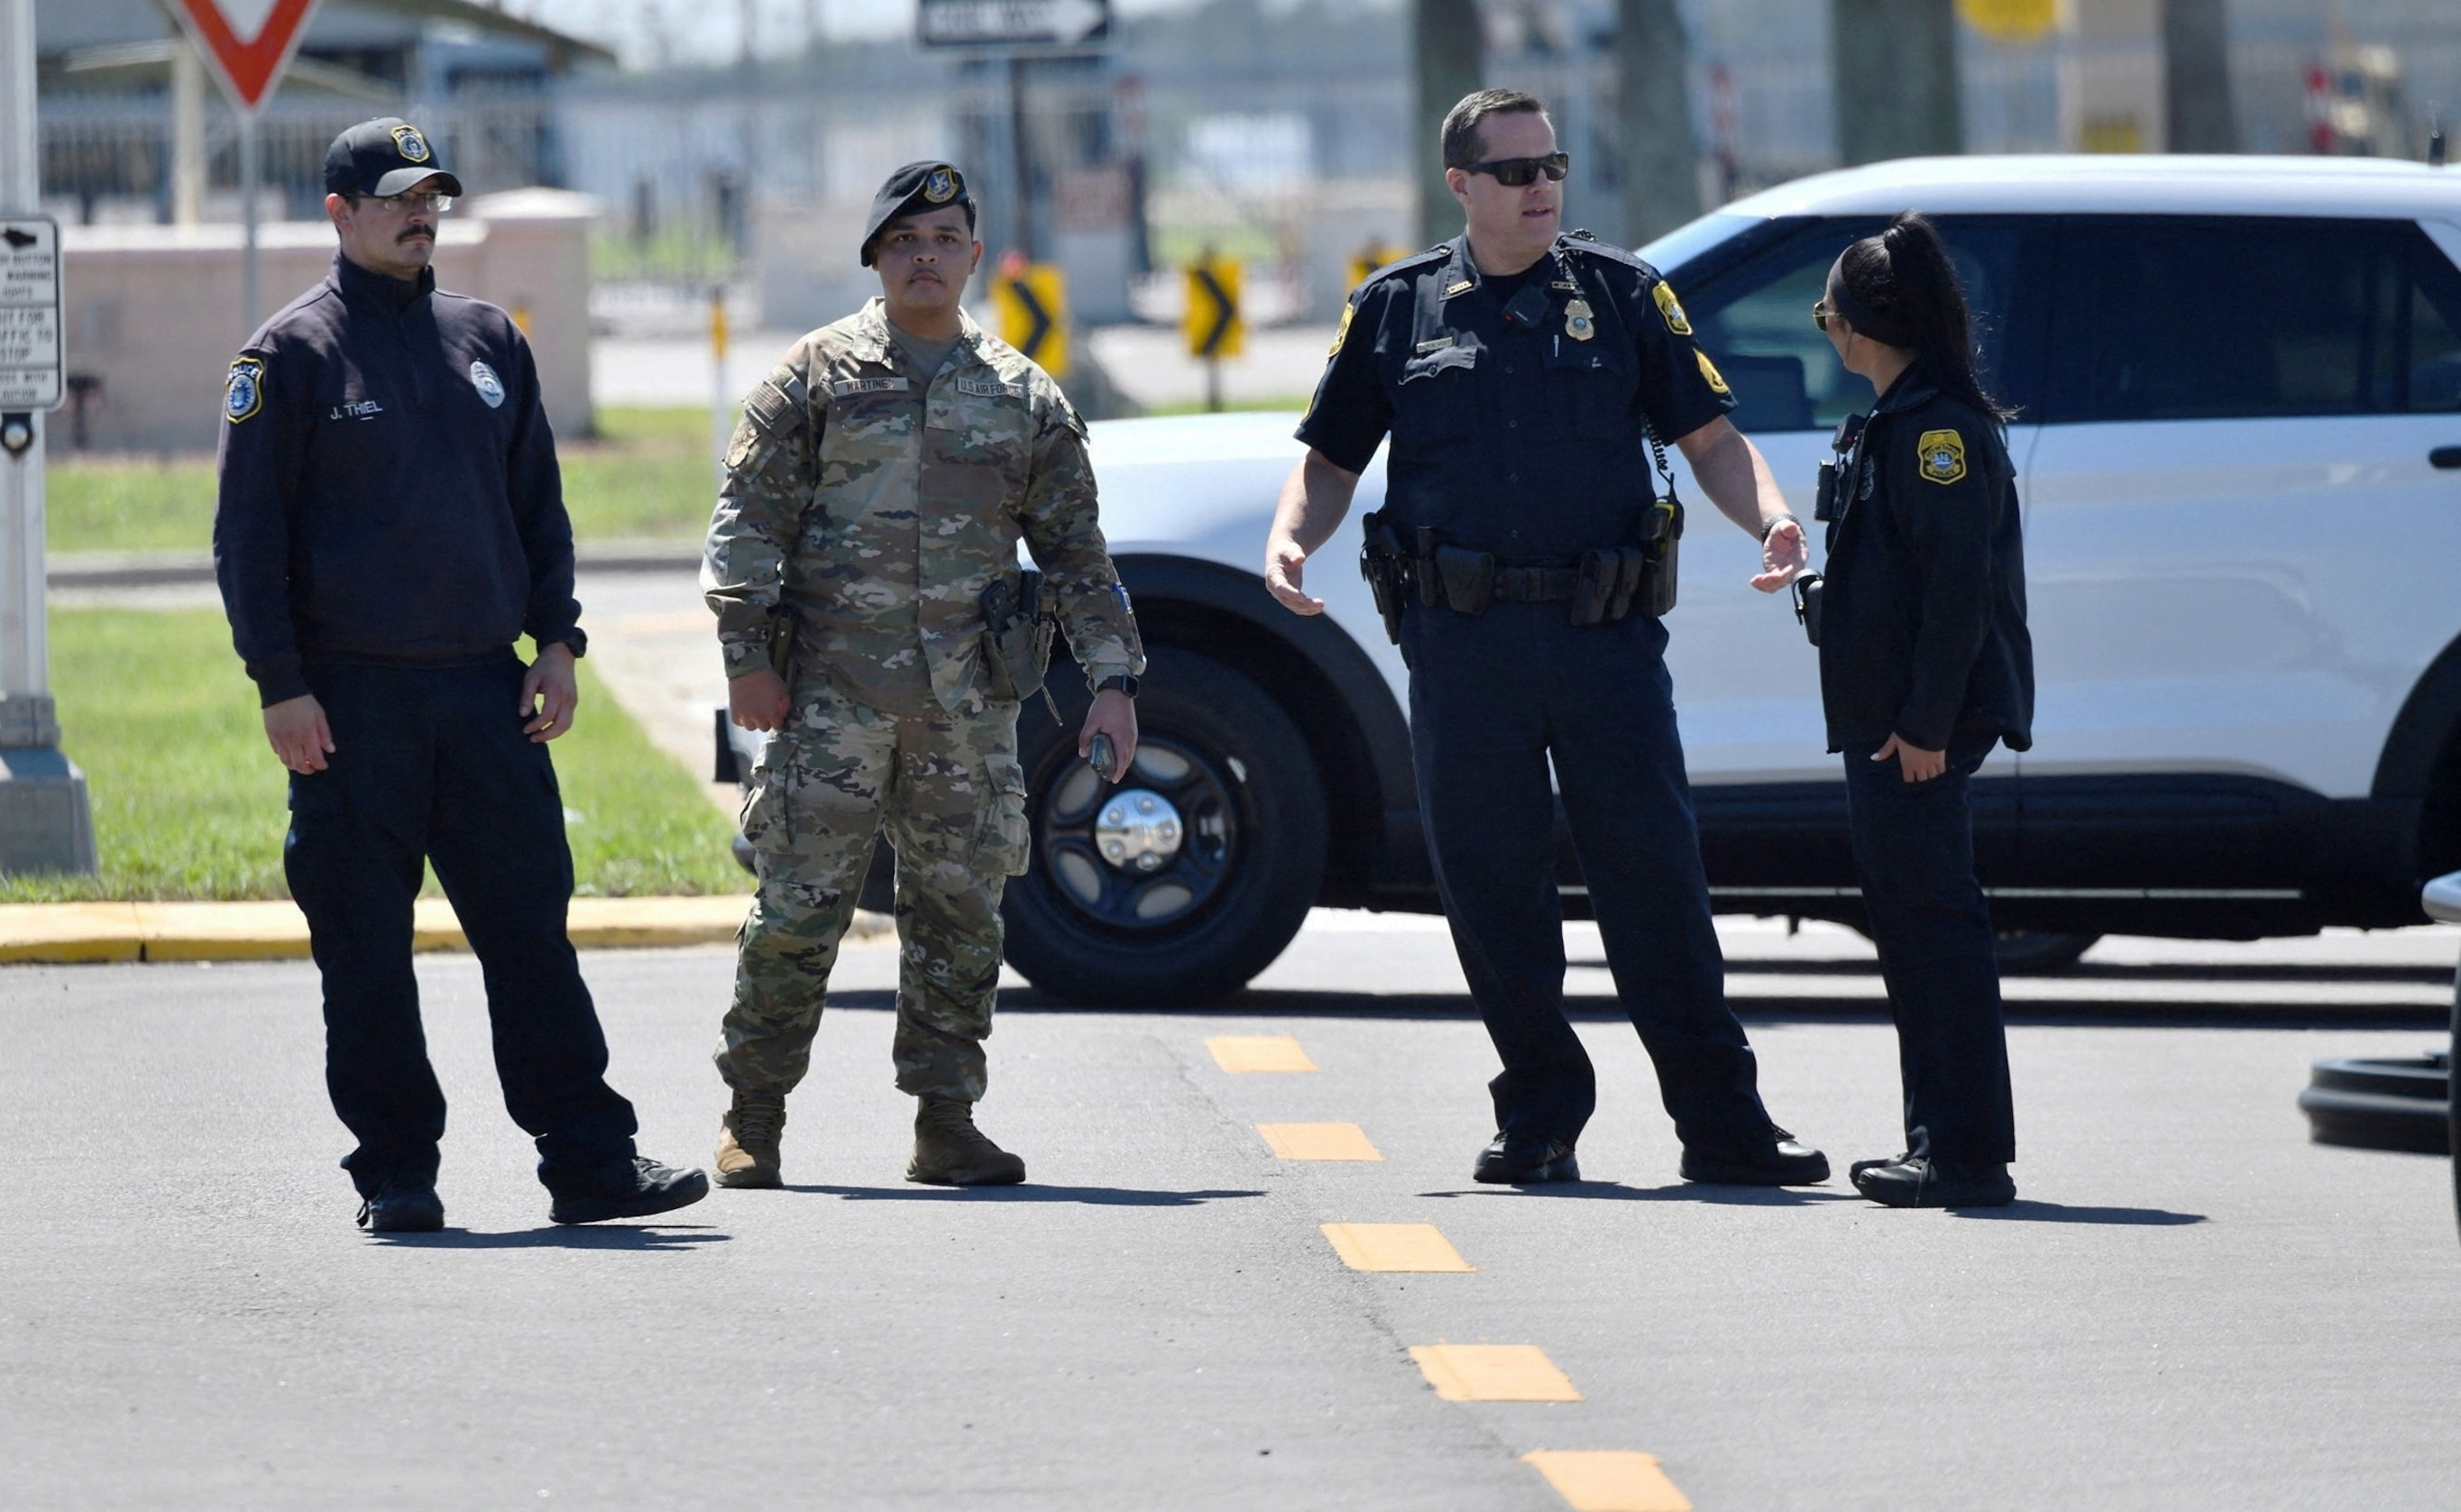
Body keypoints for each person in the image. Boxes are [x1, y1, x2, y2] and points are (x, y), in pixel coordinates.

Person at [1263, 88, 1829, 1189]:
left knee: (1656, 882)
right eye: (1516, 170)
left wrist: (1771, 514)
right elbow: (1329, 460)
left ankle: (1725, 1125)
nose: (1542, 187)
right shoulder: (1397, 309)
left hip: (1602, 639)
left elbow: (1710, 438)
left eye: (1553, 164)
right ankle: (1539, 1118)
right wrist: (1290, 540)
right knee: (1491, 887)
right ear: (1462, 184)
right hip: (1464, 646)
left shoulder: (1622, 297)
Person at [215, 116, 707, 1233]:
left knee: (531, 938)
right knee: (367, 954)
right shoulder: (286, 358)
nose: (418, 211)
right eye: (394, 196)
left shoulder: (489, 337)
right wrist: (279, 684)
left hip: (489, 695)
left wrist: (560, 644)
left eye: (430, 193)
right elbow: (247, 542)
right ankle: (397, 1170)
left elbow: (540, 509)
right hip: (351, 706)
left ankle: (588, 1160)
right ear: (340, 213)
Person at [703, 160, 1145, 1190]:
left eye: (945, 237)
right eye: (905, 239)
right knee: (796, 909)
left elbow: (1078, 552)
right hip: (828, 699)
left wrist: (1114, 679)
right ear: (875, 255)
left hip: (966, 706)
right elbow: (746, 525)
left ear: (974, 256)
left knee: (961, 916)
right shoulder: (814, 377)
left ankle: (947, 1121)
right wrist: (746, 664)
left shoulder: (1021, 395)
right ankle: (753, 1117)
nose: (925, 255)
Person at [1808, 213, 2034, 1208]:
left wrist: (1930, 726)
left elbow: (1957, 592)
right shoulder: (1901, 419)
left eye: (1824, 316)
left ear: (1856, 326)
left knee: (1933, 927)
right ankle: (1940, 1140)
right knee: (1912, 925)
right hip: (1895, 712)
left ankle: (1965, 1149)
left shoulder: (1935, 430)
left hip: (1914, 725)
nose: (1827, 334)